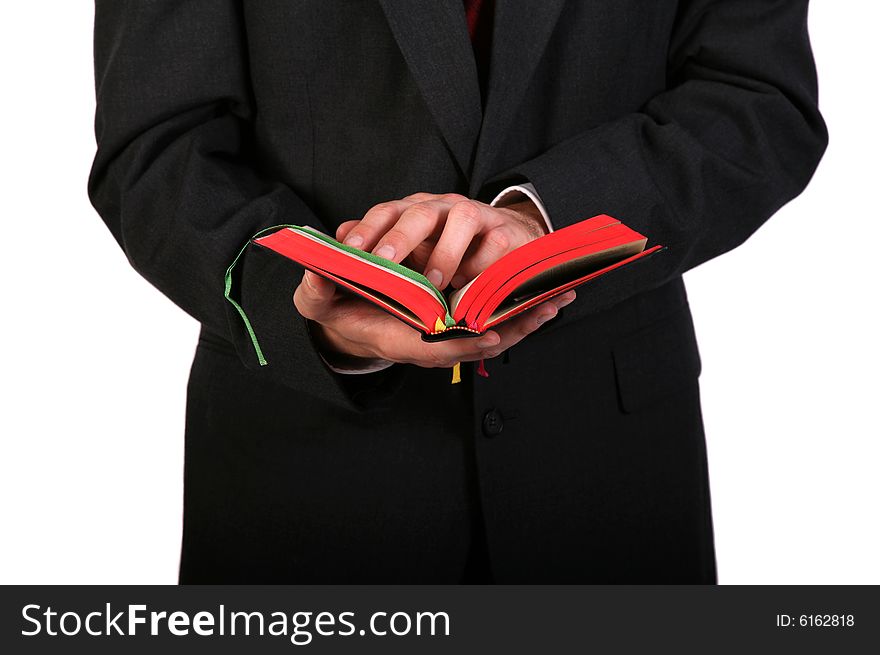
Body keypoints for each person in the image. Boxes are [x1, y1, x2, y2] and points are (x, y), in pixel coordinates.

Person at [89, 1, 827, 583]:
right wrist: (311, 304)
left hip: (611, 486)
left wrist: (545, 220)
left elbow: (757, 97)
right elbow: (158, 149)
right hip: (301, 490)